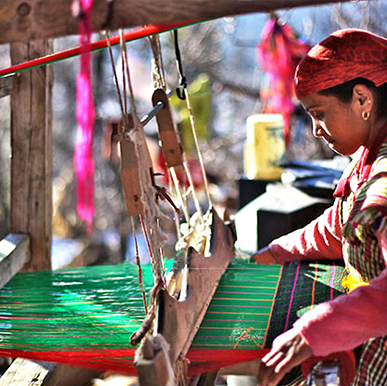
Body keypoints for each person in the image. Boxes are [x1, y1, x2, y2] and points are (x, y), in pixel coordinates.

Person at [253, 28, 387, 386]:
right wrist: (277, 251)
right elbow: (342, 225)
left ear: (362, 99)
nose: (314, 130)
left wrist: (313, 331)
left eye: (319, 113)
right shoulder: (367, 159)